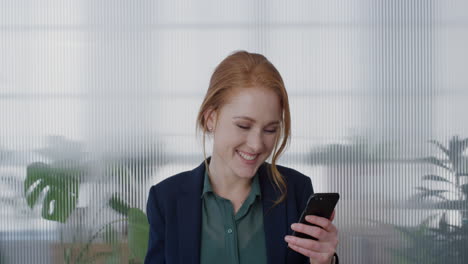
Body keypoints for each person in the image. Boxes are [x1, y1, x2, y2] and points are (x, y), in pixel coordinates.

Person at [145, 51, 339, 264]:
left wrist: (324, 262)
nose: (256, 144)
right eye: (243, 126)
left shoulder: (297, 192)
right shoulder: (165, 200)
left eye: (270, 130)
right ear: (211, 118)